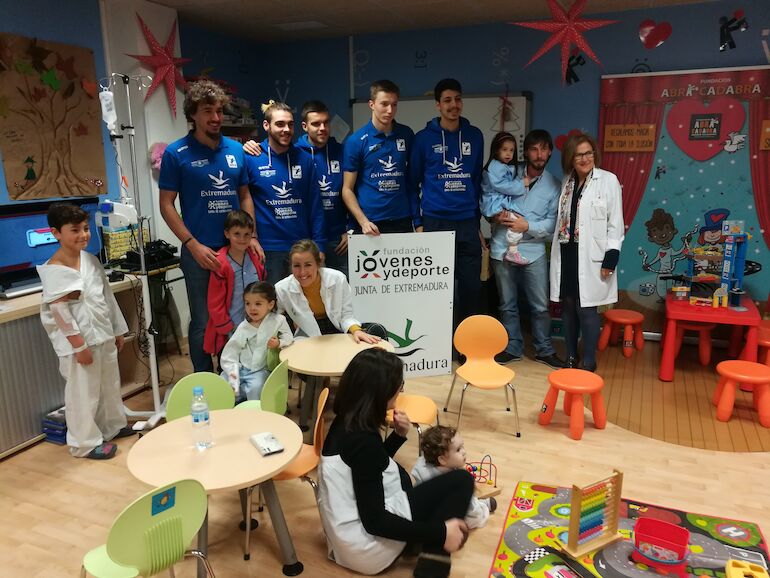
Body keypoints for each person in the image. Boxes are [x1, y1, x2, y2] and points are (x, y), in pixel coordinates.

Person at [318, 348, 474, 577]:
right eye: (399, 385)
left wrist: (398, 436)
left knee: (436, 486)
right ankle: (434, 557)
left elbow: (369, 467)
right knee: (461, 480)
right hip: (367, 547)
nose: (401, 390)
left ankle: (428, 550)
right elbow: (375, 522)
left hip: (347, 537)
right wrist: (440, 533)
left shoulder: (348, 421)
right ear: (382, 392)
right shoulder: (363, 441)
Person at [159, 80, 256, 373]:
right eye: (207, 111)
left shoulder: (235, 151)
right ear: (193, 114)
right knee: (203, 320)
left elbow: (245, 196)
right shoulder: (177, 154)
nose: (215, 118)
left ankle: (232, 376)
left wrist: (252, 239)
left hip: (235, 250)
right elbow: (166, 205)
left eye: (218, 111)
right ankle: (206, 379)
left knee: (234, 315)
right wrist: (192, 244)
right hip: (199, 252)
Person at [36, 204, 134, 460]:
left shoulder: (90, 261)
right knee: (83, 393)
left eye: (86, 229)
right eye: (75, 230)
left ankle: (112, 426)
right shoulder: (54, 269)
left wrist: (117, 330)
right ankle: (85, 443)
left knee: (109, 384)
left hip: (102, 334)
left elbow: (106, 298)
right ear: (57, 233)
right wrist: (79, 347)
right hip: (79, 344)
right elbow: (60, 314)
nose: (84, 234)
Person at [480, 130, 565, 368]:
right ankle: (512, 347)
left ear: (550, 152)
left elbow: (552, 224)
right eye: (533, 149)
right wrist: (492, 215)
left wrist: (527, 225)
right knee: (507, 304)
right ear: (525, 152)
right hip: (501, 248)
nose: (539, 154)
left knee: (540, 306)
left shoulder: (554, 185)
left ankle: (544, 350)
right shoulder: (506, 172)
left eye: (543, 149)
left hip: (533, 252)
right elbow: (486, 197)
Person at [410, 78, 485, 327]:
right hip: (435, 222)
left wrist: (476, 222)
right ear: (438, 105)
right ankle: (440, 343)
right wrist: (418, 223)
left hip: (466, 222)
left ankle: (467, 345)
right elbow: (413, 183)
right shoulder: (422, 139)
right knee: (438, 290)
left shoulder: (474, 136)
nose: (454, 105)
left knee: (471, 288)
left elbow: (475, 180)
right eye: (447, 100)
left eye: (457, 99)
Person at [549, 132, 624, 372]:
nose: (584, 158)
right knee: (569, 306)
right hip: (567, 251)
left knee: (587, 307)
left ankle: (589, 360)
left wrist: (611, 257)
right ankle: (571, 356)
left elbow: (616, 223)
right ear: (570, 158)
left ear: (594, 154)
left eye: (588, 153)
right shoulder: (567, 182)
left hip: (593, 255)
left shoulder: (608, 180)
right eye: (578, 154)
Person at [245, 101, 325, 285]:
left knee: (305, 308)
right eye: (280, 124)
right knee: (272, 306)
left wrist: (319, 245)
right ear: (266, 125)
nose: (286, 129)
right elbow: (243, 201)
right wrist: (252, 238)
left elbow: (315, 206)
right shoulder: (251, 158)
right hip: (268, 249)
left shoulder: (305, 159)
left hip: (302, 248)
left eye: (290, 124)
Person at [342, 80, 420, 235]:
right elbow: (347, 189)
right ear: (371, 104)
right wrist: (362, 222)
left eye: (394, 104)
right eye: (384, 104)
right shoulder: (356, 141)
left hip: (402, 220)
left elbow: (412, 182)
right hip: (370, 222)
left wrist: (417, 221)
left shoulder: (406, 134)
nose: (390, 110)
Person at [274, 239, 381, 344]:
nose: (302, 272)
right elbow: (273, 318)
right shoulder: (281, 288)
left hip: (338, 328)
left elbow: (346, 314)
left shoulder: (338, 279)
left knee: (376, 331)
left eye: (308, 265)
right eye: (296, 266)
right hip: (307, 336)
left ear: (318, 263)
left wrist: (356, 330)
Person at [203, 210, 266, 358]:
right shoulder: (221, 263)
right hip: (231, 328)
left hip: (255, 324)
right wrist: (225, 327)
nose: (242, 239)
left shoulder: (256, 258)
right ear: (227, 234)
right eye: (237, 234)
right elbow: (214, 301)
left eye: (246, 235)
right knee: (230, 367)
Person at [411, 425, 497, 529]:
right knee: (474, 516)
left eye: (462, 447)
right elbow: (472, 514)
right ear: (442, 459)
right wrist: (482, 510)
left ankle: (478, 503)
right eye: (458, 449)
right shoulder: (446, 482)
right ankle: (481, 505)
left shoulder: (428, 469)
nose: (464, 452)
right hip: (442, 520)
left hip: (430, 515)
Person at [219, 282, 292, 401]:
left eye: (258, 304)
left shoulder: (278, 320)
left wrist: (279, 342)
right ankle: (230, 411)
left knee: (256, 387)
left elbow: (289, 337)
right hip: (240, 368)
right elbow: (231, 351)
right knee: (224, 385)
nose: (252, 308)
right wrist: (233, 372)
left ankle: (255, 413)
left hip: (260, 370)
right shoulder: (244, 326)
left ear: (270, 304)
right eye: (248, 303)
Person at [480, 133, 529, 265]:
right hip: (494, 202)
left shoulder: (503, 166)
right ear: (496, 150)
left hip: (498, 201)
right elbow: (501, 186)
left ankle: (513, 250)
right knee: (515, 222)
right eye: (504, 149)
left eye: (511, 150)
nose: (508, 153)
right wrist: (521, 184)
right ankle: (512, 252)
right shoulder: (495, 166)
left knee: (515, 219)